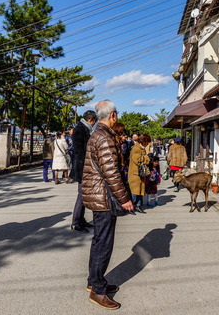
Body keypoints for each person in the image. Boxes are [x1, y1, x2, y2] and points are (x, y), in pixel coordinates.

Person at [82, 100, 134, 310]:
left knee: (99, 241)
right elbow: (111, 172)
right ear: (112, 115)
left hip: (97, 195)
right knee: (103, 243)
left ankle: (95, 281)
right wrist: (124, 198)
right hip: (103, 197)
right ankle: (98, 291)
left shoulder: (98, 133)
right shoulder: (104, 136)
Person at [71, 110, 97, 233]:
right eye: (93, 122)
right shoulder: (80, 129)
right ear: (90, 120)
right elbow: (78, 151)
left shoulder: (83, 128)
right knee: (81, 196)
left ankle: (81, 219)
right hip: (82, 167)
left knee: (83, 195)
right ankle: (76, 222)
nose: (93, 125)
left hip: (84, 166)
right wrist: (86, 165)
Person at [128, 133, 151, 214]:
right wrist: (147, 158)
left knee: (139, 192)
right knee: (134, 192)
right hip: (135, 174)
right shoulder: (136, 149)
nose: (148, 144)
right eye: (147, 142)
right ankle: (130, 208)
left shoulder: (141, 148)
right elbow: (137, 160)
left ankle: (138, 206)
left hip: (139, 174)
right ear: (144, 141)